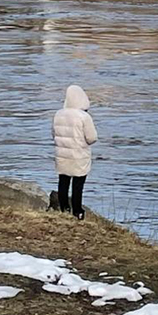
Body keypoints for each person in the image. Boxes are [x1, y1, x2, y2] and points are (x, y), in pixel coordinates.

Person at [51, 84, 97, 219]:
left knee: (63, 181)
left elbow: (53, 134)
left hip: (62, 154)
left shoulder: (58, 114)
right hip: (79, 155)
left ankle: (64, 209)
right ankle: (77, 212)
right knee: (78, 184)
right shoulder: (84, 116)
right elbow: (91, 138)